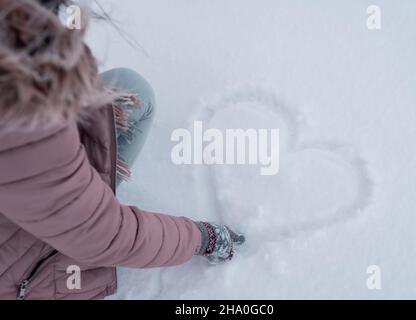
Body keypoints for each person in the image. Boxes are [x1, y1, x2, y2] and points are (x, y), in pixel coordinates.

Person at [0, 0, 245, 300]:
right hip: (20, 267)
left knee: (130, 90)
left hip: (24, 194)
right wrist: (202, 238)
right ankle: (77, 203)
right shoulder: (22, 128)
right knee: (85, 224)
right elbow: (111, 235)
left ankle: (77, 197)